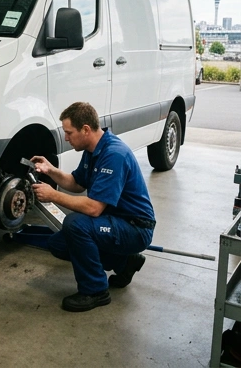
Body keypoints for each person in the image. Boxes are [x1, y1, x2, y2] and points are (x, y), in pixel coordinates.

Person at [31, 102, 156, 312]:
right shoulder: (92, 149)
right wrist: (51, 170)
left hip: (135, 227)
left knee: (75, 224)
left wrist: (53, 195)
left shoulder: (114, 154)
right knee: (58, 244)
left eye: (69, 132)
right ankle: (125, 263)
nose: (66, 138)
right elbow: (77, 183)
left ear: (86, 129)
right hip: (115, 221)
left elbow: (93, 209)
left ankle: (96, 291)